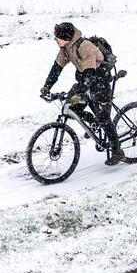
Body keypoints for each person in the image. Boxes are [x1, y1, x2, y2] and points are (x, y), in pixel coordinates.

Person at [40, 22, 124, 165]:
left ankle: (117, 151)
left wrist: (79, 94)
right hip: (84, 80)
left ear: (66, 37)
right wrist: (47, 86)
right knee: (72, 109)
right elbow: (57, 68)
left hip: (99, 80)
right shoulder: (66, 49)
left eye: (57, 37)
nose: (55, 40)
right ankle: (93, 121)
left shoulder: (85, 47)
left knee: (104, 117)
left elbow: (90, 74)